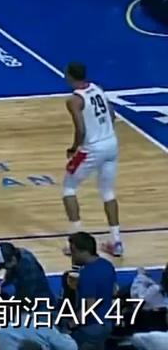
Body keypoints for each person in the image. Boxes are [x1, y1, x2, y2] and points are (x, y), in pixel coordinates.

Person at [61, 62, 123, 257]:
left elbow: (80, 129)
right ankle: (116, 241)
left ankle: (76, 242)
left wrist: (74, 148)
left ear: (69, 76)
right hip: (111, 143)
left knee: (68, 188)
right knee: (107, 192)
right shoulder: (97, 88)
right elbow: (112, 115)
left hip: (92, 148)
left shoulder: (74, 100)